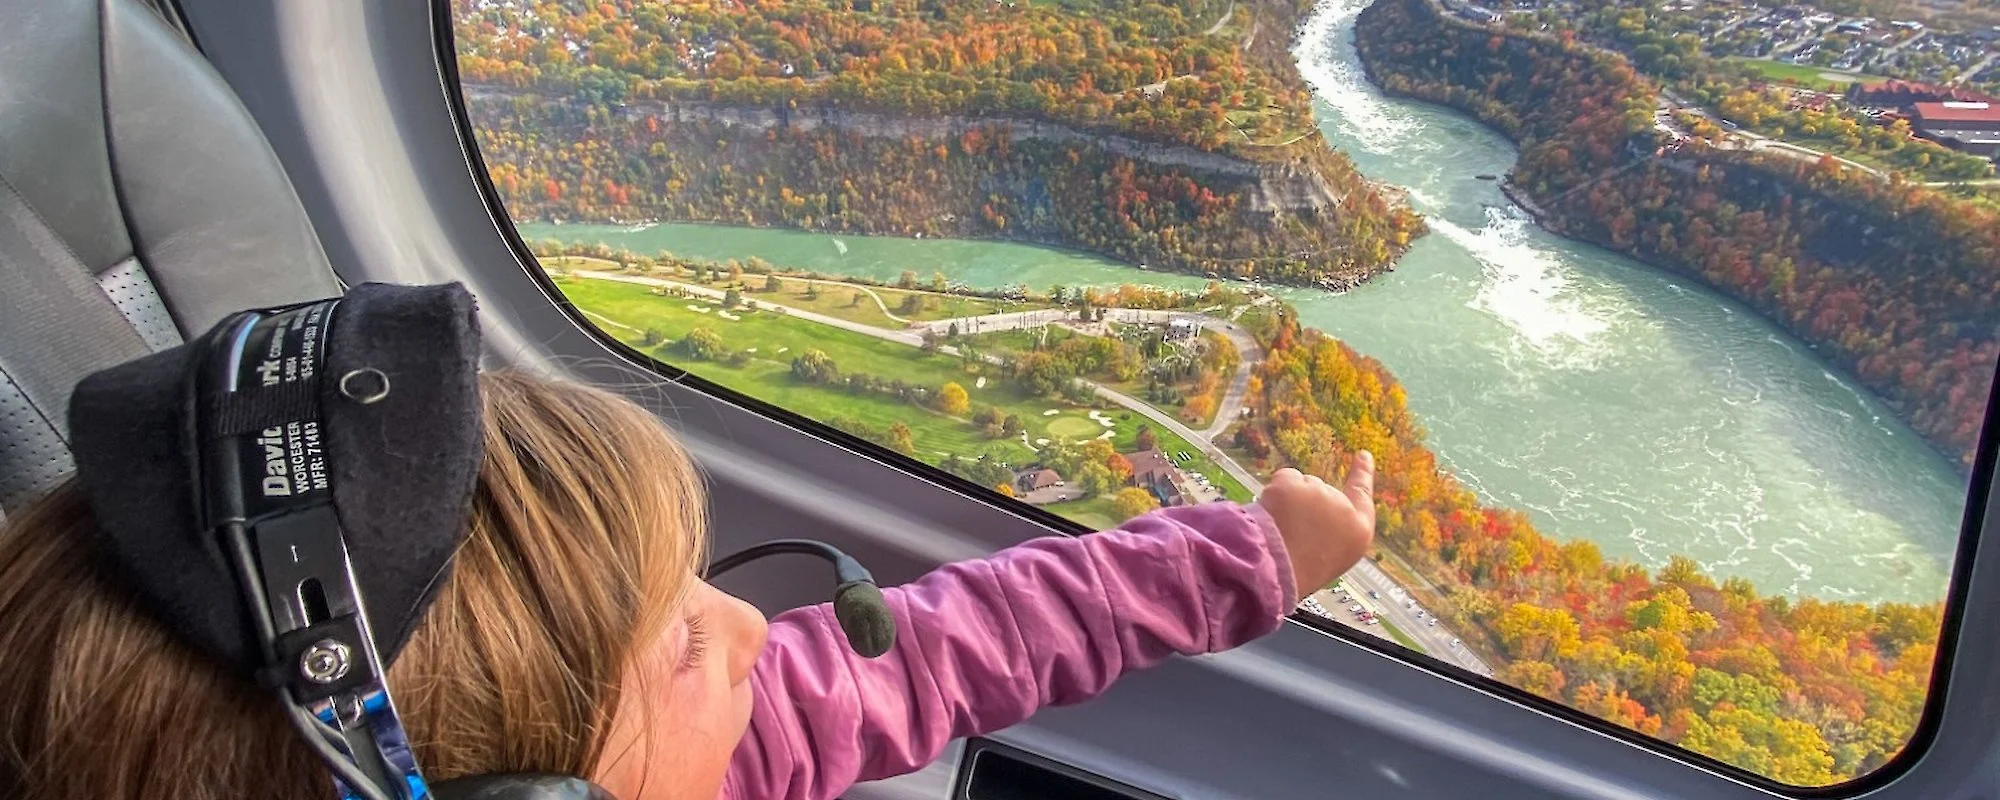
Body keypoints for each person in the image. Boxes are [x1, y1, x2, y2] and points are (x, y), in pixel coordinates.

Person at [0, 370, 1376, 800]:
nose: (739, 625)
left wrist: (1238, 562)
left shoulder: (701, 751)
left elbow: (942, 650)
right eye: (676, 648)